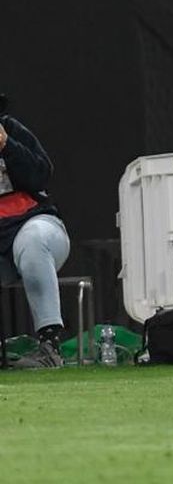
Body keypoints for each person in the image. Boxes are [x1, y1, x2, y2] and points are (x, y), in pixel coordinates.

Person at [0, 106, 70, 369]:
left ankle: (50, 346)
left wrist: (8, 145)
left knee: (31, 240)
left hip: (36, 227)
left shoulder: (9, 128)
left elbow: (41, 174)